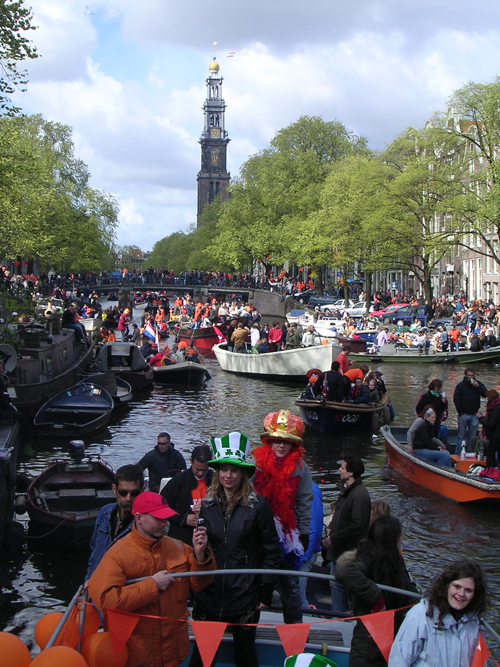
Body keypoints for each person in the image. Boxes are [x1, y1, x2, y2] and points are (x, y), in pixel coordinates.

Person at [88, 492, 215, 667]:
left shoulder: (177, 547)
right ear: (139, 518)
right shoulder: (117, 555)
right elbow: (106, 601)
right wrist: (152, 586)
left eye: (166, 518)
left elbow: (199, 583)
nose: (164, 523)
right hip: (137, 654)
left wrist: (200, 555)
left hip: (172, 651)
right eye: (158, 518)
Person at [189, 432, 281, 667]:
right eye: (223, 470)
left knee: (246, 657)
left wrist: (265, 591)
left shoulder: (258, 506)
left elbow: (272, 550)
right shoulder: (206, 506)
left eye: (234, 470)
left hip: (244, 595)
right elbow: (203, 551)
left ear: (243, 474)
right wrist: (198, 551)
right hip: (209, 595)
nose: (228, 475)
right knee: (202, 659)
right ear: (217, 473)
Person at [253, 410, 313, 624]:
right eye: (277, 441)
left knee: (290, 585)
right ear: (269, 442)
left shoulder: (301, 469)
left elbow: (305, 502)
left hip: (286, 532)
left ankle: (295, 628)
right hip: (256, 531)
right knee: (253, 581)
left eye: (285, 442)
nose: (280, 446)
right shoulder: (255, 465)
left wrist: (304, 532)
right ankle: (246, 626)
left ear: (292, 445)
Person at [337, 516, 418, 667]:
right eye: (399, 538)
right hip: (368, 645)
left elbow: (408, 588)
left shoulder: (396, 562)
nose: (401, 541)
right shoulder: (366, 560)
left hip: (394, 643)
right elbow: (345, 572)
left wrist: (422, 605)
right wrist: (376, 598)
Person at [388, 560, 489, 667]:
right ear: (447, 585)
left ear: (475, 594)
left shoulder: (474, 623)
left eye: (468, 590)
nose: (461, 594)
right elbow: (398, 660)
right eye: (457, 587)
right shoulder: (420, 614)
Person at [323, 456, 371, 613]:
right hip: (340, 549)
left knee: (338, 585)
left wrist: (333, 538)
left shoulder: (359, 495)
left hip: (347, 550)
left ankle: (339, 616)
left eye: (342, 468)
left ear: (351, 473)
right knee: (334, 584)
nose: (339, 469)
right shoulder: (349, 491)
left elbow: (358, 525)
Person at [86, 464, 145, 580]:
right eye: (123, 492)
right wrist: (88, 579)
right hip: (96, 586)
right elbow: (94, 554)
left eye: (134, 493)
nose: (128, 498)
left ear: (142, 491)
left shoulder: (144, 524)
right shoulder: (104, 513)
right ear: (114, 490)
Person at [161, 445, 214, 544]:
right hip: (182, 537)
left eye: (204, 470)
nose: (200, 473)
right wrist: (184, 519)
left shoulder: (215, 481)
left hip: (209, 535)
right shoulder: (177, 482)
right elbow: (161, 506)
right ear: (191, 461)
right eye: (197, 469)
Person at [299, 481, 324, 610]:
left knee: (299, 597)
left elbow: (314, 528)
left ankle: (304, 623)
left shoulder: (311, 490)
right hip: (298, 553)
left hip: (303, 555)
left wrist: (304, 557)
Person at [453, 368, 488, 453]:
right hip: (464, 414)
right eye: (469, 375)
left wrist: (478, 387)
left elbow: (485, 394)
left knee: (473, 437)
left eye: (472, 375)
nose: (471, 377)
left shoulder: (478, 384)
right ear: (465, 375)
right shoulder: (460, 386)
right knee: (461, 436)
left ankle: (471, 453)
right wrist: (460, 412)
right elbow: (456, 399)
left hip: (474, 414)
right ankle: (458, 454)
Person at [477, 389, 500, 468]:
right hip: (496, 435)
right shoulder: (496, 406)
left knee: (491, 454)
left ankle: (491, 470)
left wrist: (481, 418)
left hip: (496, 436)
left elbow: (491, 424)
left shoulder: (495, 409)